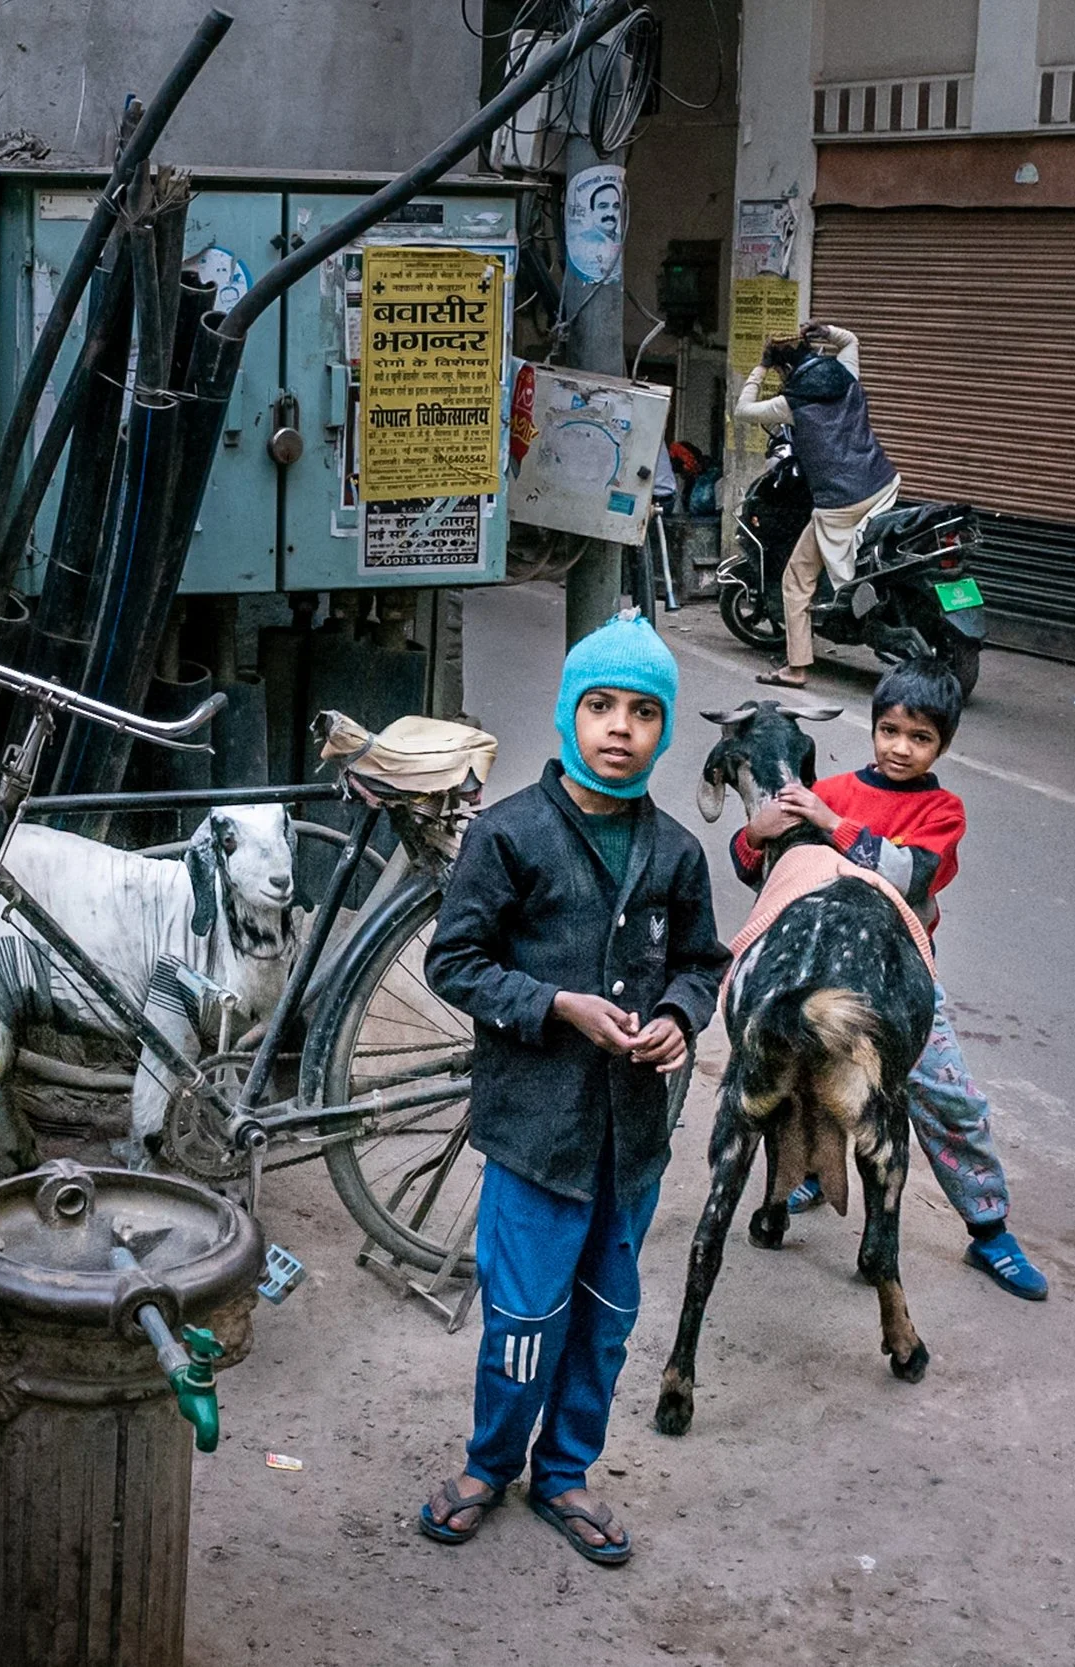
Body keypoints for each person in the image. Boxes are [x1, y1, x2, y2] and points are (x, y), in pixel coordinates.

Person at [412, 615, 729, 1563]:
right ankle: (489, 1464)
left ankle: (566, 1472)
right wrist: (555, 1004)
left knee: (605, 1317)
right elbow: (455, 961)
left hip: (628, 1140)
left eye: (642, 711)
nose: (620, 727)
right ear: (567, 714)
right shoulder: (510, 836)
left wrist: (678, 1015)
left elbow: (703, 963)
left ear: (663, 730)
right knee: (525, 1315)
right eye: (600, 706)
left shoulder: (675, 853)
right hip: (535, 1133)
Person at [730, 659, 1049, 1300]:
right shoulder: (836, 788)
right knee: (802, 1075)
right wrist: (752, 834)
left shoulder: (941, 812)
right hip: (819, 976)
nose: (901, 748)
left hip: (902, 989)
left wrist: (829, 824)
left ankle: (989, 1230)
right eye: (890, 730)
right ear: (873, 728)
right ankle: (816, 1172)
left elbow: (910, 875)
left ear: (944, 745)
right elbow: (767, 869)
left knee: (948, 1098)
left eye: (921, 737)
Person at [734, 321, 900, 690]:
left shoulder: (792, 403)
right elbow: (851, 339)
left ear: (784, 369)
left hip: (840, 502)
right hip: (883, 483)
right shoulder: (847, 373)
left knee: (796, 579)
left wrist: (760, 367)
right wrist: (825, 329)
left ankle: (796, 669)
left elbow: (743, 410)